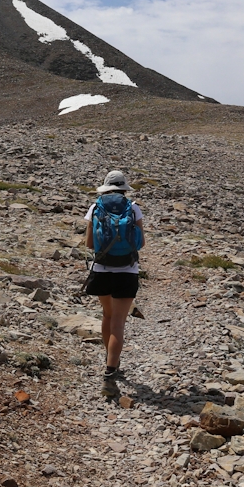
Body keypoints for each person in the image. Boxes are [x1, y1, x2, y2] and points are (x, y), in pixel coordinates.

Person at [84, 169, 144, 398]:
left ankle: (109, 359)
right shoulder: (133, 207)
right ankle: (110, 372)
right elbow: (141, 243)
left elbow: (90, 243)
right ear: (124, 188)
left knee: (107, 316)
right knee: (119, 322)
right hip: (127, 271)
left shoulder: (95, 207)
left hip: (102, 269)